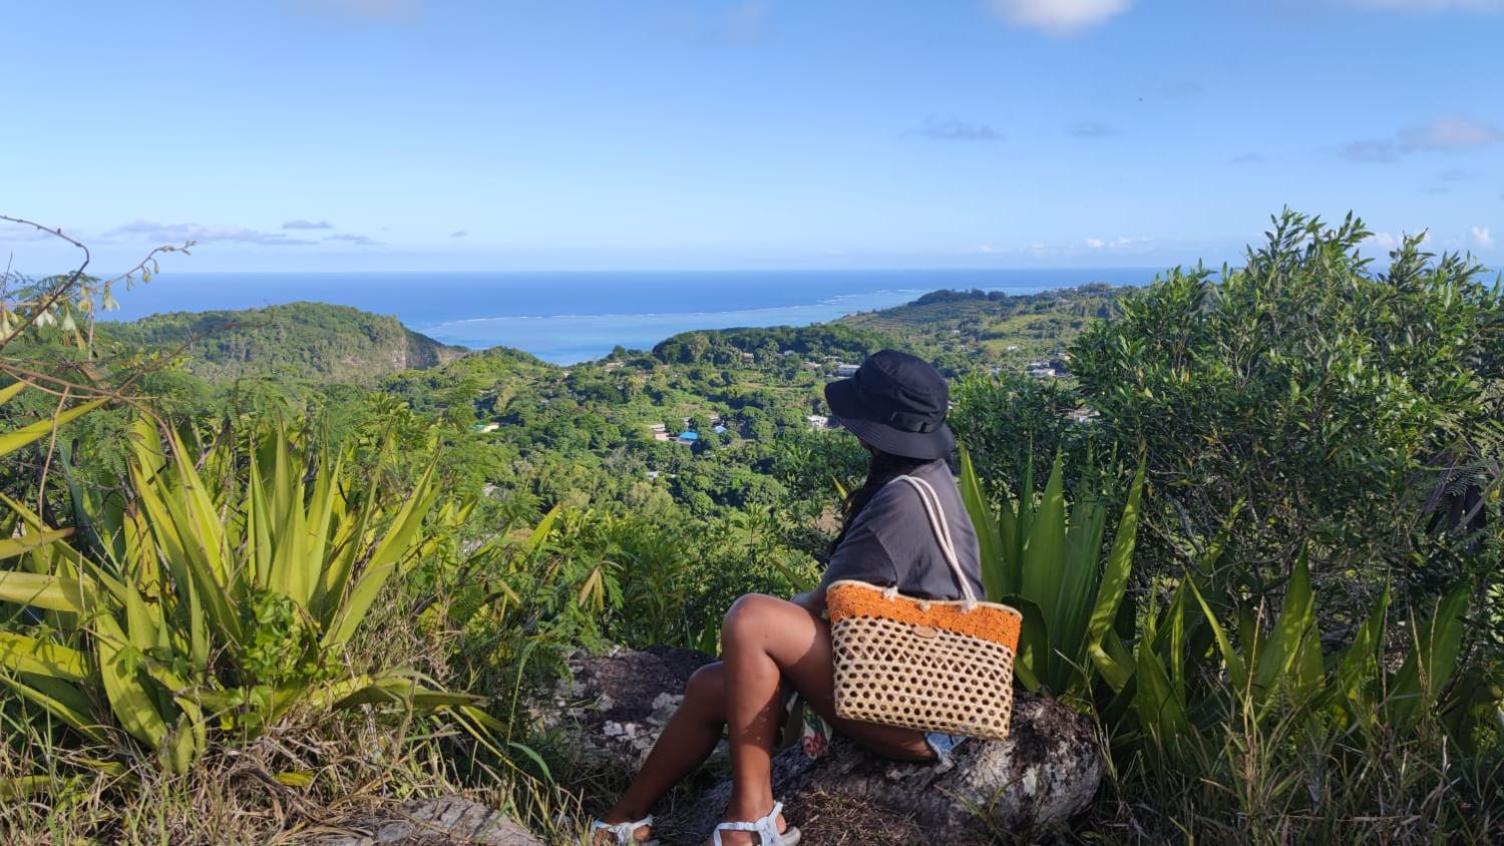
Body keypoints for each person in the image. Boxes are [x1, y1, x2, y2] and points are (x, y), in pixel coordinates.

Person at [591, 350, 983, 846]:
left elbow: (815, 606)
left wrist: (761, 651)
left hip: (925, 714)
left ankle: (752, 820)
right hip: (918, 689)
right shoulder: (925, 478)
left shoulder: (901, 502)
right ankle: (624, 821)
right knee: (711, 686)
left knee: (753, 617)